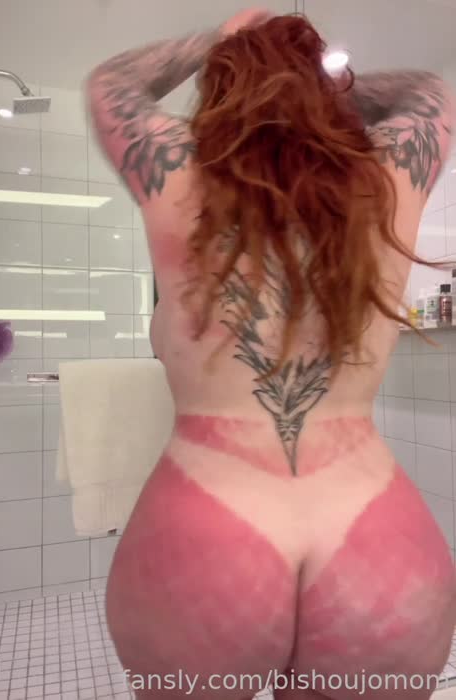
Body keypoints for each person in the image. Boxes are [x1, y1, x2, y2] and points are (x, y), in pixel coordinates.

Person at [87, 8, 456, 699]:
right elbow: (432, 94)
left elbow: (112, 84)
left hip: (208, 526)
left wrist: (221, 43)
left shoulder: (174, 164)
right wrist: (320, 78)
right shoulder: (388, 172)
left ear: (219, 82)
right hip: (376, 538)